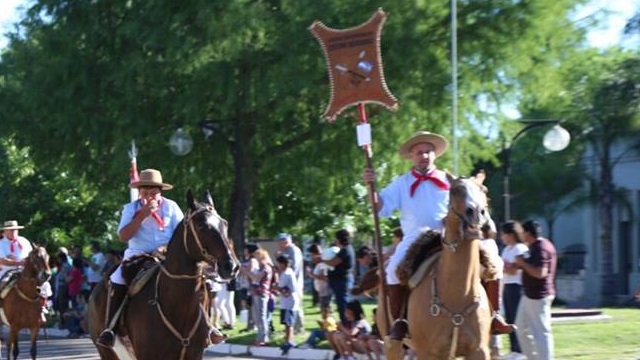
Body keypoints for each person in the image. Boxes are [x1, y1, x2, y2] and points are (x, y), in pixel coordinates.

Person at [362, 131, 450, 340]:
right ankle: (399, 321)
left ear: (435, 154)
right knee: (393, 270)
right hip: (415, 237)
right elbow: (380, 208)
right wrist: (371, 186)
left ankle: (491, 316)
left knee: (490, 262)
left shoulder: (448, 180)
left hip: (448, 236)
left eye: (428, 151)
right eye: (419, 152)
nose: (424, 156)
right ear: (412, 156)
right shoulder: (402, 183)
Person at [95, 169, 199, 347]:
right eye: (145, 192)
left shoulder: (172, 207)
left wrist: (165, 248)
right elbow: (123, 236)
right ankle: (110, 329)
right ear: (139, 192)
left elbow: (182, 234)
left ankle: (208, 326)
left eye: (153, 192)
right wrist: (142, 215)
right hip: (138, 255)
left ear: (160, 191)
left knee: (200, 277)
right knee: (116, 278)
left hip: (168, 254)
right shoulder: (131, 208)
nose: (149, 196)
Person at [514, 220, 557, 360]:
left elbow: (540, 273)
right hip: (529, 294)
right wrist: (518, 265)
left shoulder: (541, 248)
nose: (520, 235)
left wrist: (522, 264)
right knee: (521, 328)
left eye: (522, 232)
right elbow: (528, 266)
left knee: (541, 332)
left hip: (539, 296)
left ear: (527, 233)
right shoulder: (534, 246)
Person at [501, 221, 529, 359]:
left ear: (511, 234)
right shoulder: (506, 250)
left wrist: (506, 268)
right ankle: (513, 349)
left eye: (504, 234)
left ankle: (521, 350)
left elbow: (514, 270)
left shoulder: (520, 249)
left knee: (518, 320)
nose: (502, 237)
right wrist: (507, 268)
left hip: (517, 287)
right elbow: (506, 268)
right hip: (507, 286)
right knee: (509, 319)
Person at [238, 248, 274, 346]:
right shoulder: (261, 267)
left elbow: (256, 278)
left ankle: (264, 338)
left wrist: (245, 271)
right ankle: (259, 337)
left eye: (257, 255)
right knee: (257, 317)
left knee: (262, 317)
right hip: (256, 293)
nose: (255, 257)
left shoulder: (266, 268)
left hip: (262, 294)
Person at [322, 229, 355, 324]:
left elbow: (333, 262)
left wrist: (322, 260)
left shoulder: (345, 250)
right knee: (341, 305)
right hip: (340, 281)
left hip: (341, 282)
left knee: (343, 306)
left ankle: (347, 325)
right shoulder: (345, 249)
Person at [276, 233, 305, 334]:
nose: (278, 244)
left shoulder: (294, 250)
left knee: (296, 306)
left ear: (285, 241)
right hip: (288, 282)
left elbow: (294, 267)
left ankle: (299, 328)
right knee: (289, 307)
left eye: (280, 242)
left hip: (294, 283)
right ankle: (291, 328)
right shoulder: (286, 250)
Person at [275, 254, 301, 355]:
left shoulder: (286, 273)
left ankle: (289, 341)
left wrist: (276, 278)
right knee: (287, 322)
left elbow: (279, 285)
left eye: (280, 263)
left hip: (289, 301)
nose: (279, 265)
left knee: (289, 322)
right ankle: (288, 340)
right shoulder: (288, 272)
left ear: (283, 263)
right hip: (287, 300)